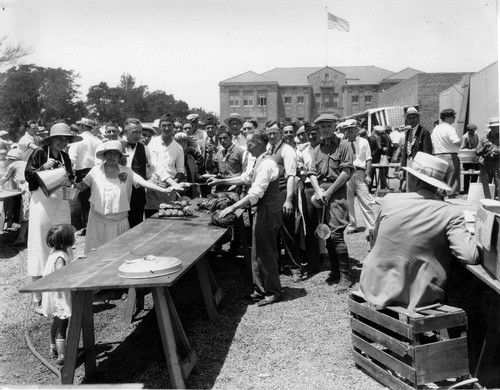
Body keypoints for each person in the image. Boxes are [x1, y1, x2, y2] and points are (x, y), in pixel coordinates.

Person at [359, 152, 480, 311]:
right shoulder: (450, 212)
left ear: (414, 178)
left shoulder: (388, 200)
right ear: (438, 185)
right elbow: (470, 256)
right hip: (414, 294)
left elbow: (376, 239)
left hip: (372, 284)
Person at [207, 130, 282, 306]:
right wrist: (219, 182)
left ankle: (274, 291)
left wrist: (232, 207)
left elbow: (255, 193)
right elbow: (245, 178)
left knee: (266, 253)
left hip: (268, 212)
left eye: (249, 143)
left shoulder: (267, 164)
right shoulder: (258, 160)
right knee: (256, 251)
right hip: (260, 210)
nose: (246, 146)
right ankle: (260, 288)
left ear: (260, 144)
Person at [73, 141, 176, 254]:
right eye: (110, 153)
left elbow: (142, 181)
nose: (112, 156)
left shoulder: (127, 171)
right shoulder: (95, 170)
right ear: (105, 155)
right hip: (97, 222)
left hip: (119, 222)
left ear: (120, 157)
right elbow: (81, 186)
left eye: (115, 154)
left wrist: (164, 190)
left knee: (118, 254)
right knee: (95, 254)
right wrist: (70, 183)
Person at [25, 123, 82, 312]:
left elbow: (70, 176)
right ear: (51, 140)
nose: (62, 142)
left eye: (65, 139)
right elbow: (28, 176)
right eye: (59, 138)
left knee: (63, 241)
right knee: (40, 245)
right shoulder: (40, 153)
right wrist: (42, 167)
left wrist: (72, 180)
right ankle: (38, 298)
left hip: (61, 203)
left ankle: (62, 292)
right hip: (42, 204)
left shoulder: (65, 156)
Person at [308, 113, 354, 292]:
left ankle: (345, 276)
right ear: (318, 129)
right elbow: (311, 172)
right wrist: (319, 191)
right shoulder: (317, 148)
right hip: (321, 193)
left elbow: (346, 173)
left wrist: (328, 192)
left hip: (337, 192)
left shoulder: (344, 146)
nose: (325, 129)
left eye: (328, 126)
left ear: (335, 127)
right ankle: (335, 271)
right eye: (322, 127)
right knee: (325, 233)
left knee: (336, 234)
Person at [265, 120, 302, 281]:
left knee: (287, 231)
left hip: (283, 192)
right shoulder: (267, 148)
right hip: (270, 194)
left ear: (280, 132)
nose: (272, 136)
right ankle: (276, 265)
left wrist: (288, 200)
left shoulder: (287, 150)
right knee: (272, 231)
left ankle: (296, 268)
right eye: (269, 133)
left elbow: (291, 176)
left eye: (274, 132)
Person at [41, 224, 76, 365]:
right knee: (63, 324)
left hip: (53, 294)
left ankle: (53, 348)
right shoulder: (61, 257)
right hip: (59, 295)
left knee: (55, 322)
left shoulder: (54, 253)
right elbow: (60, 274)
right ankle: (62, 356)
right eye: (73, 237)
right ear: (66, 241)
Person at [145, 114, 185, 218]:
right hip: (153, 188)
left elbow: (180, 170)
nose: (166, 128)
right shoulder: (151, 143)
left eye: (169, 125)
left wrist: (173, 184)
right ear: (159, 126)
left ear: (173, 127)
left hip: (169, 191)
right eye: (164, 125)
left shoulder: (178, 148)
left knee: (168, 221)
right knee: (151, 221)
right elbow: (152, 166)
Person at [68, 117, 102, 233]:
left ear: (81, 126)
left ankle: (84, 224)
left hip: (81, 171)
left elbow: (72, 159)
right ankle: (91, 224)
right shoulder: (98, 140)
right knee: (93, 198)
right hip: (96, 171)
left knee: (82, 200)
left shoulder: (78, 140)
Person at [344, 120, 375, 237]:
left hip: (360, 172)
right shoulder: (343, 144)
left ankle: (371, 226)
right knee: (349, 201)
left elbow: (368, 159)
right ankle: (352, 225)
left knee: (365, 200)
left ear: (356, 129)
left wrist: (368, 174)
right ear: (345, 131)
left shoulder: (364, 142)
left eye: (352, 128)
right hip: (347, 173)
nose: (350, 130)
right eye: (347, 128)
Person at [122, 118, 153, 228]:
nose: (138, 135)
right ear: (126, 132)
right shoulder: (117, 146)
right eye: (134, 132)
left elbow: (152, 169)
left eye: (140, 132)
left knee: (137, 224)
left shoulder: (144, 149)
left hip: (137, 193)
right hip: (120, 191)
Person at [0, 148, 29, 245]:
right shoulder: (25, 163)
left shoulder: (13, 165)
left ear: (11, 159)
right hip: (33, 187)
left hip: (26, 188)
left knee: (25, 213)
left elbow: (4, 179)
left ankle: (21, 238)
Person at [398, 107, 433, 189]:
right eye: (409, 118)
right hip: (409, 162)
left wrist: (424, 167)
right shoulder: (408, 132)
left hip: (419, 164)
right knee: (409, 185)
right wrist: (402, 168)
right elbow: (405, 152)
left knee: (418, 186)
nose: (411, 120)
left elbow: (427, 152)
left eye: (414, 118)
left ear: (418, 118)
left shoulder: (424, 132)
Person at [431, 108, 461, 197]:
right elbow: (456, 141)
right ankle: (451, 199)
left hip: (437, 156)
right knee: (452, 180)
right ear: (447, 118)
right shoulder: (449, 128)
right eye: (453, 116)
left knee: (440, 180)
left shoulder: (436, 129)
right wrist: (460, 142)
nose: (454, 118)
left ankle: (439, 198)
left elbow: (432, 142)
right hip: (450, 156)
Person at [212, 125, 244, 193]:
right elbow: (217, 172)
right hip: (220, 188)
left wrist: (243, 191)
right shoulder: (219, 153)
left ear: (231, 137)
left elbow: (245, 173)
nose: (223, 141)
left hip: (235, 187)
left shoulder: (240, 152)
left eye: (225, 138)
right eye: (220, 138)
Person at [476, 117, 499, 200]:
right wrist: (484, 148)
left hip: (497, 164)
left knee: (499, 185)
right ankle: (487, 203)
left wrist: (497, 151)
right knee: (486, 186)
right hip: (485, 164)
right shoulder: (483, 138)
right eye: (497, 127)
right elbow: (477, 152)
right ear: (492, 128)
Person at [461, 123, 480, 193]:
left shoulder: (476, 134)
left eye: (474, 131)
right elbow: (462, 146)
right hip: (468, 157)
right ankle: (466, 189)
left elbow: (478, 144)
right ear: (468, 130)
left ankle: (473, 189)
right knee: (467, 174)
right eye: (472, 131)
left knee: (475, 173)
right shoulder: (465, 137)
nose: (473, 132)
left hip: (475, 156)